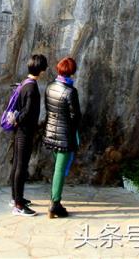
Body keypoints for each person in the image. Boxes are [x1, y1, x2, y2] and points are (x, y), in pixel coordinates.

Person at [43, 56, 81, 218]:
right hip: (65, 136)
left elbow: (49, 109)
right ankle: (55, 204)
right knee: (60, 169)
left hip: (51, 133)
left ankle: (55, 201)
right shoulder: (70, 91)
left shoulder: (50, 87)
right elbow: (76, 116)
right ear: (71, 72)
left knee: (57, 167)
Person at [10, 53, 48, 216]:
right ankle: (18, 205)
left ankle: (15, 198)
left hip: (20, 131)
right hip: (25, 131)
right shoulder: (32, 87)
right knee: (21, 166)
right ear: (41, 70)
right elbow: (27, 111)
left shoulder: (25, 83)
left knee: (17, 164)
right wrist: (18, 119)